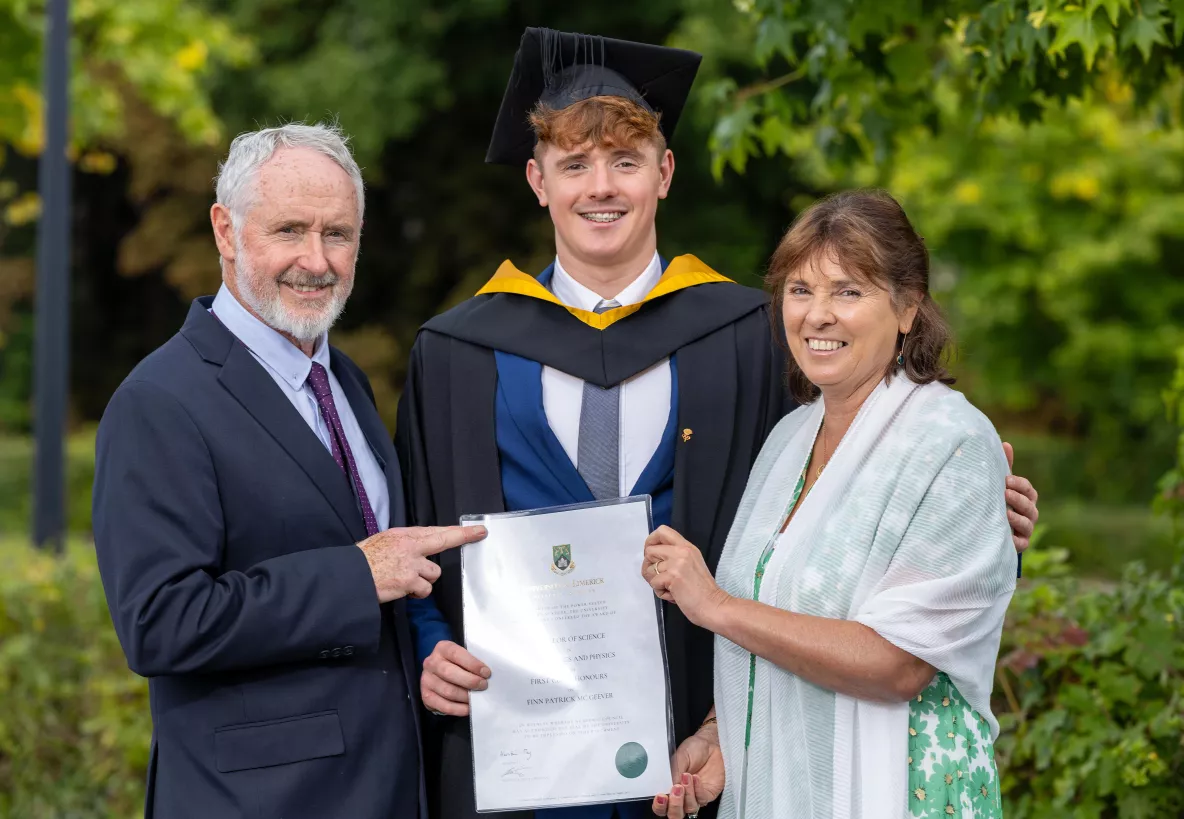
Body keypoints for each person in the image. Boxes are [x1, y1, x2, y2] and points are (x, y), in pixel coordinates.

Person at [394, 29, 1038, 819]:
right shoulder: (457, 351)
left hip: (703, 756)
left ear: (663, 173)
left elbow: (852, 496)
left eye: (626, 162)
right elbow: (415, 537)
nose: (602, 188)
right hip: (523, 758)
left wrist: (980, 515)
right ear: (537, 180)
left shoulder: (750, 335)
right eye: (574, 164)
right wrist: (429, 648)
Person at [92, 122, 486, 819]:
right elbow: (160, 621)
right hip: (255, 800)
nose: (317, 258)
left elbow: (386, 585)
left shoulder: (347, 383)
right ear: (224, 229)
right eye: (290, 230)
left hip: (390, 787)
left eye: (338, 233)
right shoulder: (158, 400)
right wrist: (355, 575)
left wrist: (425, 652)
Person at [643, 190, 1017, 819]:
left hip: (904, 792)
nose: (817, 315)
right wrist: (721, 734)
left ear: (907, 307)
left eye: (848, 291)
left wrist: (713, 605)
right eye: (799, 290)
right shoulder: (789, 440)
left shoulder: (948, 442)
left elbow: (897, 665)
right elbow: (781, 614)